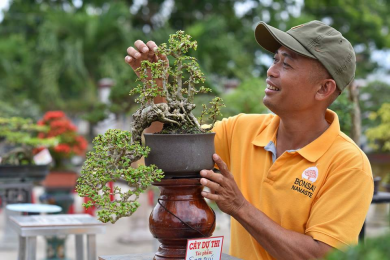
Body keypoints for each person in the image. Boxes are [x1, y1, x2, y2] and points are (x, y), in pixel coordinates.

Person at [125, 20, 373, 260]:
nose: (271, 71)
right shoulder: (241, 129)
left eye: (287, 65)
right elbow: (169, 152)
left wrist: (240, 207)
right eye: (275, 59)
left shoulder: (348, 164)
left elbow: (320, 256)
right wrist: (154, 86)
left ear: (323, 89)